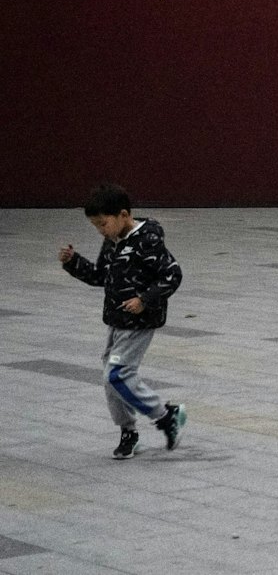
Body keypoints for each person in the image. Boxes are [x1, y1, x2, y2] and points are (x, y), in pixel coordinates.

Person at [57, 182, 186, 459]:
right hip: (117, 320)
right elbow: (100, 277)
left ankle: (166, 416)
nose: (101, 231)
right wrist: (73, 262)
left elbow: (172, 275)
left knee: (117, 375)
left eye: (103, 224)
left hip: (139, 321)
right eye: (96, 227)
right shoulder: (112, 241)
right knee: (110, 379)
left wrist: (144, 300)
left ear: (124, 215)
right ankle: (128, 431)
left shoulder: (147, 240)